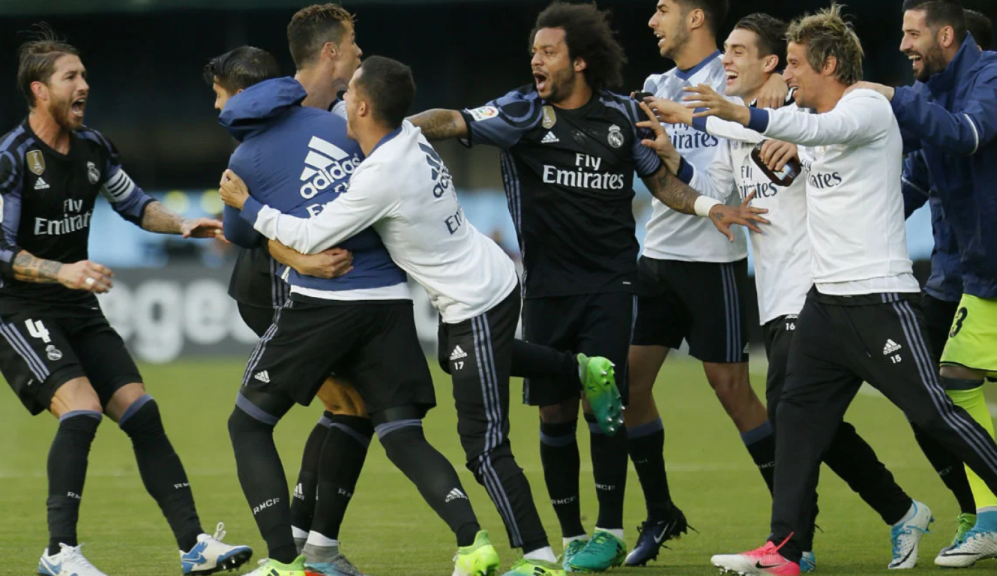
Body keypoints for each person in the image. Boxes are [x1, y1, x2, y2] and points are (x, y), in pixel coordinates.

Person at [221, 51, 640, 576]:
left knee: (484, 447)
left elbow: (308, 235)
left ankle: (539, 560)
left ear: (365, 106)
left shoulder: (380, 178)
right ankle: (579, 369)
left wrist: (246, 204)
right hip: (487, 278)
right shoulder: (407, 138)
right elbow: (414, 121)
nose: (341, 100)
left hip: (474, 301)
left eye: (349, 93)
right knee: (456, 361)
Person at [409, 2, 766, 570]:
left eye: (547, 51)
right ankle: (572, 535)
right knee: (554, 413)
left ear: (579, 60)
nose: (535, 60)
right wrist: (396, 132)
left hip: (612, 282)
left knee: (605, 401)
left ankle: (608, 530)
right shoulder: (521, 111)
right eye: (533, 51)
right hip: (547, 286)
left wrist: (709, 206)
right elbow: (453, 121)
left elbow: (662, 182)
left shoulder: (624, 114)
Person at [680, 6, 997, 574]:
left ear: (829, 64)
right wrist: (688, 116)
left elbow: (817, 130)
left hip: (878, 298)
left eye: (796, 65)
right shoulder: (811, 117)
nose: (789, 77)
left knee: (934, 415)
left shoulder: (866, 108)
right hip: (825, 304)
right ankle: (787, 550)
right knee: (796, 419)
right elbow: (789, 128)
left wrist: (747, 112)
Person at [212, 48, 504, 576]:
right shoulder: (338, 126)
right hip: (390, 301)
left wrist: (244, 201)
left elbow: (241, 235)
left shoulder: (246, 157)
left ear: (238, 98)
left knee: (248, 424)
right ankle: (472, 540)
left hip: (323, 303)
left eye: (217, 95)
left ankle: (282, 560)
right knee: (396, 431)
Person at [0, 28, 252, 576]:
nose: (84, 86)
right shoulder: (6, 161)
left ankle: (194, 546)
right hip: (18, 308)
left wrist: (180, 224)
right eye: (70, 78)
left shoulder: (94, 149)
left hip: (75, 304)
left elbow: (134, 204)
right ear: (39, 90)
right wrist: (64, 270)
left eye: (84, 76)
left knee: (142, 413)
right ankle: (60, 555)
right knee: (81, 410)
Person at [202, 25, 372, 576]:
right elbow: (257, 223)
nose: (360, 55)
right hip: (277, 284)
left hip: (315, 283)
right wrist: (299, 259)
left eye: (219, 94)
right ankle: (306, 548)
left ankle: (303, 535)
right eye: (353, 46)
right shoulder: (275, 113)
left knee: (349, 407)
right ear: (330, 53)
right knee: (348, 407)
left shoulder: (322, 109)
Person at [624, 1, 788, 565]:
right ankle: (662, 511)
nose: (652, 19)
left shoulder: (737, 76)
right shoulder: (655, 83)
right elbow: (657, 171)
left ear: (696, 17)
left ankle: (792, 525)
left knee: (732, 391)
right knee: (625, 386)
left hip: (712, 260)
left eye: (663, 8)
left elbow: (728, 171)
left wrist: (781, 79)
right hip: (657, 256)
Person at [852, 0, 997, 565]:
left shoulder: (985, 80)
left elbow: (966, 136)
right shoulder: (932, 92)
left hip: (984, 271)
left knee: (952, 381)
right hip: (953, 273)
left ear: (945, 35)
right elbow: (911, 182)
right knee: (923, 395)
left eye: (912, 34)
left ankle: (988, 514)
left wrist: (895, 98)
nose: (903, 45)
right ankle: (975, 507)